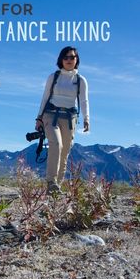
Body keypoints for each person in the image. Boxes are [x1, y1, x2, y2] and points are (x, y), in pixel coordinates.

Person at [35, 46, 90, 194]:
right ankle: (51, 181)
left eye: (72, 57)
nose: (69, 60)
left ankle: (57, 185)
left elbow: (84, 101)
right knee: (56, 144)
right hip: (51, 115)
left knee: (65, 151)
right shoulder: (53, 77)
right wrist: (39, 117)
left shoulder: (80, 80)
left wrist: (86, 118)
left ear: (76, 59)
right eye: (66, 57)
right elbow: (45, 97)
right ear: (61, 59)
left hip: (70, 118)